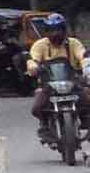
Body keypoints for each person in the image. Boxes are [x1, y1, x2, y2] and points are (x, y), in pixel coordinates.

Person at [29, 15, 87, 146]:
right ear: (46, 31)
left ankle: (85, 120)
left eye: (58, 30)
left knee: (86, 100)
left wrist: (87, 66)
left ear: (64, 30)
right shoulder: (40, 45)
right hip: (48, 84)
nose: (55, 33)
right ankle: (45, 126)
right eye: (51, 30)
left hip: (73, 81)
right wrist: (33, 67)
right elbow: (33, 59)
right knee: (37, 108)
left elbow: (82, 55)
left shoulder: (74, 43)